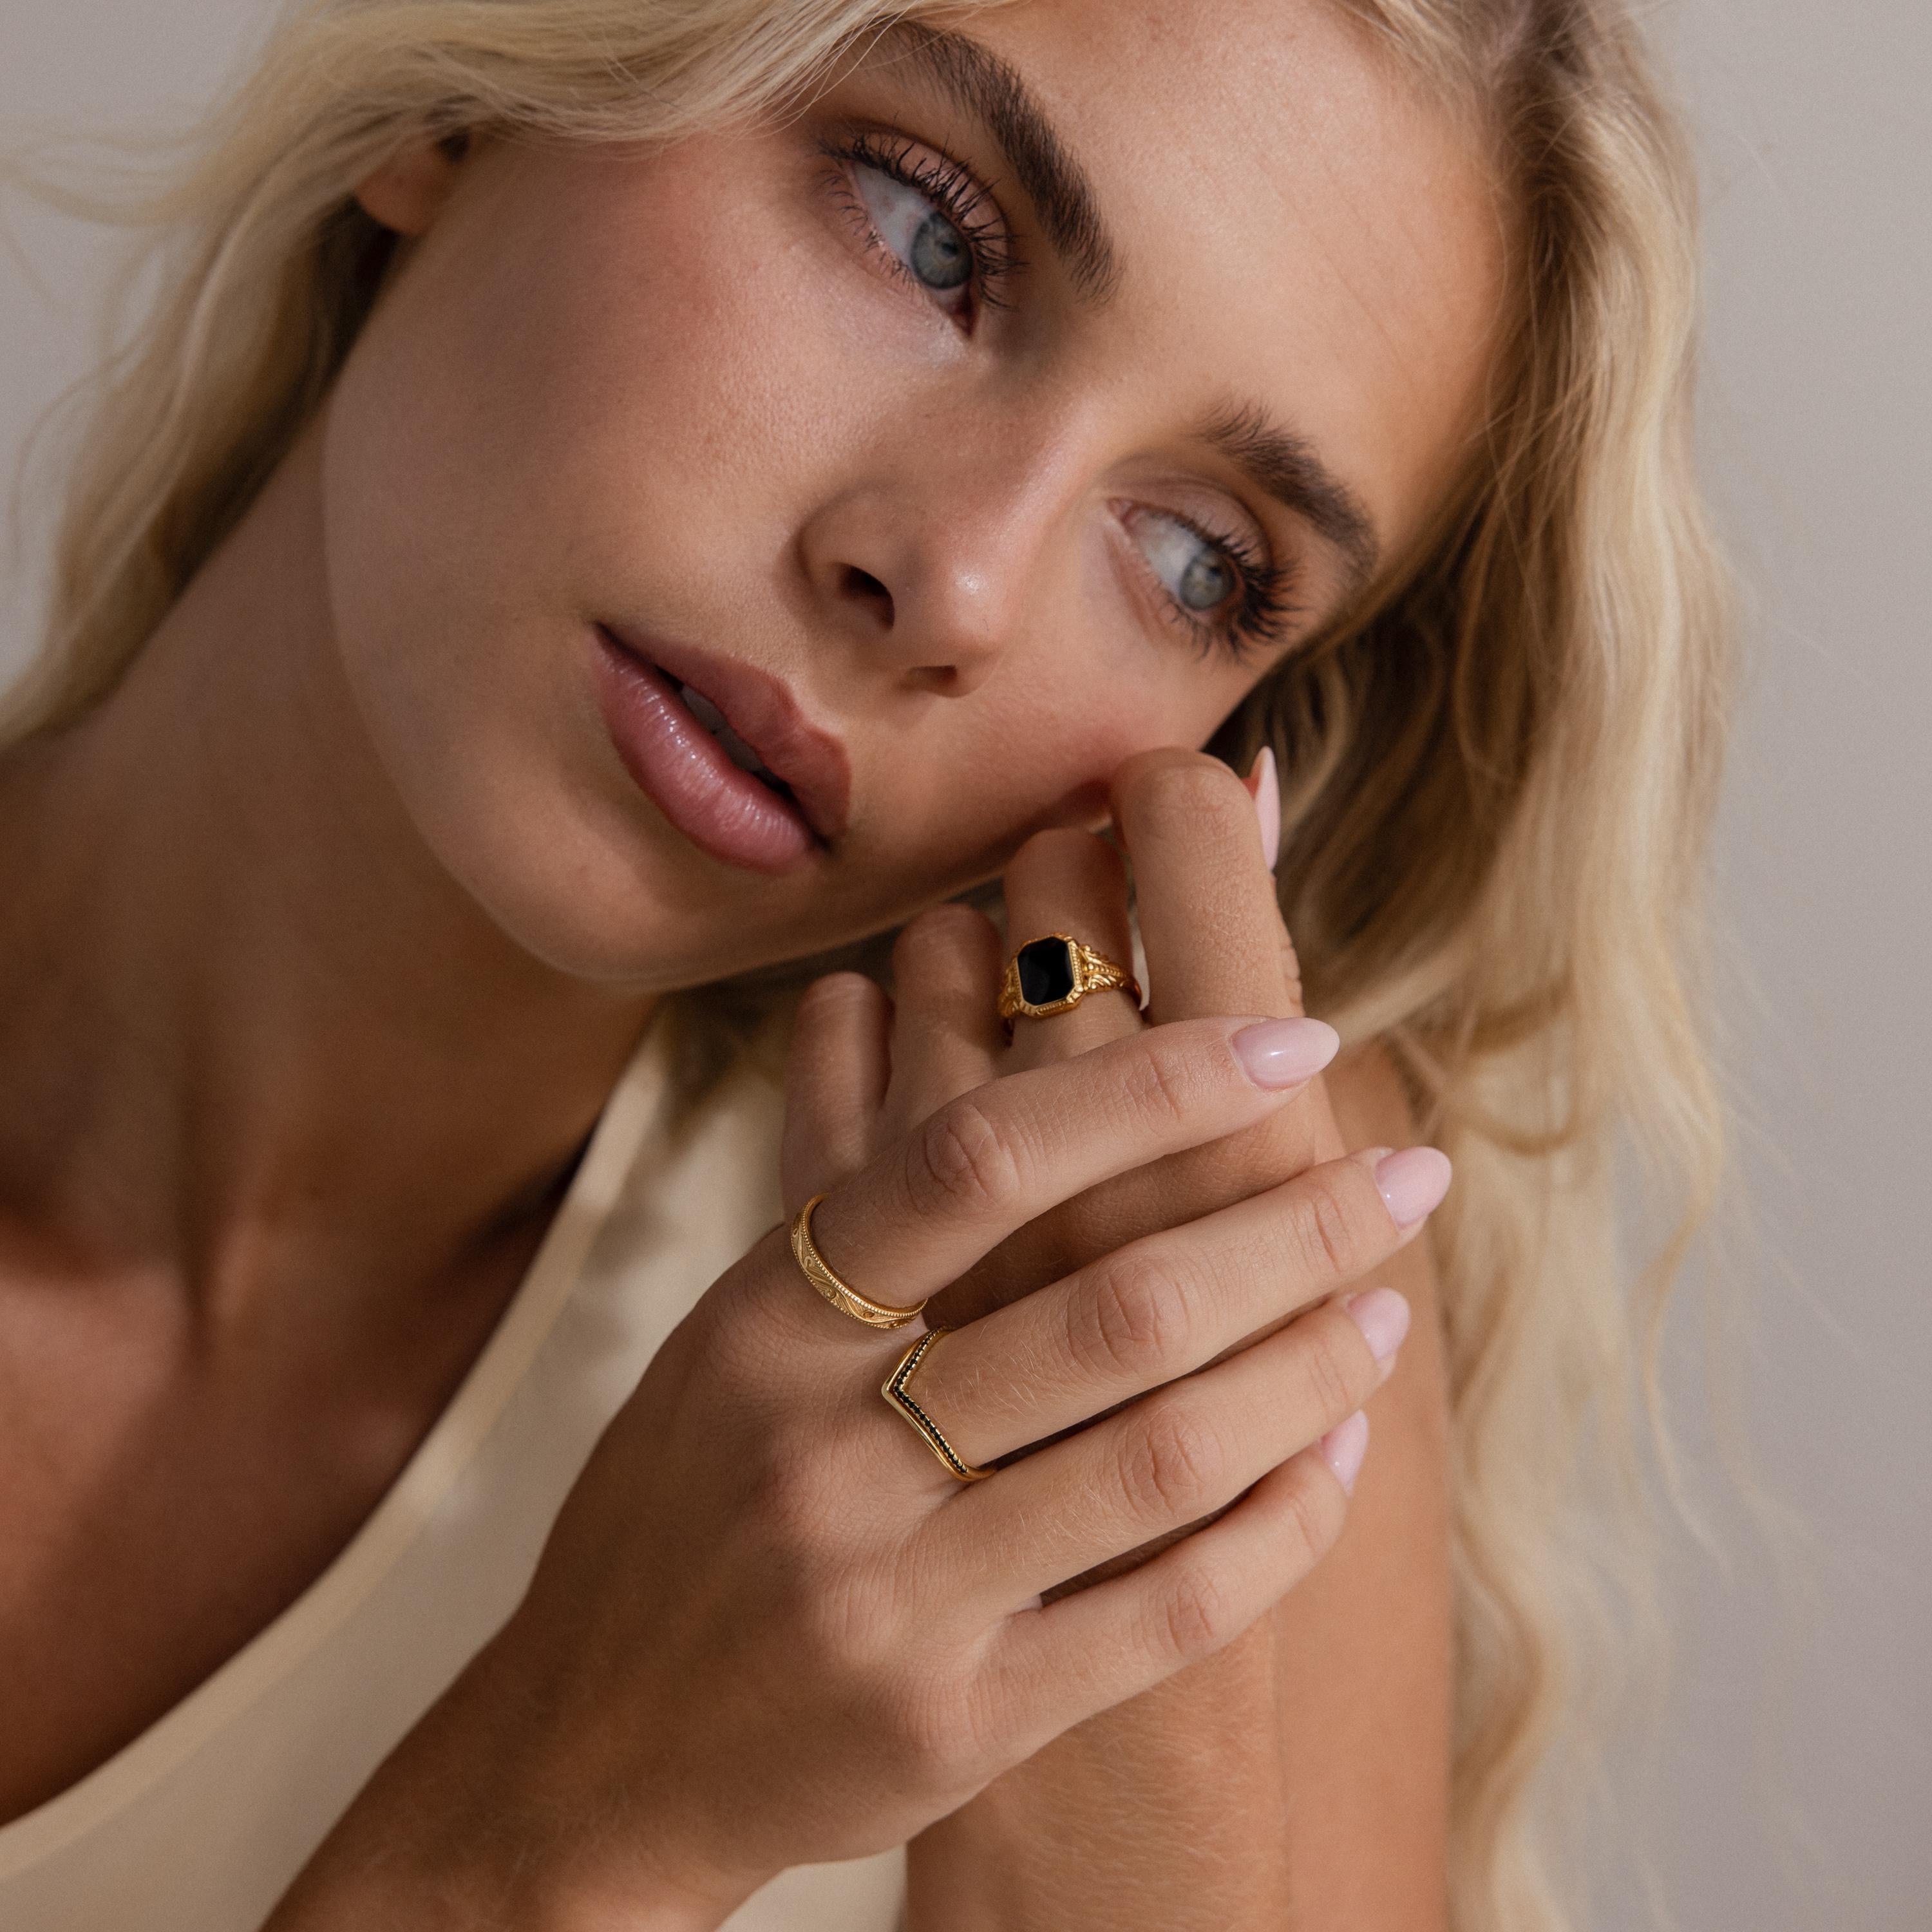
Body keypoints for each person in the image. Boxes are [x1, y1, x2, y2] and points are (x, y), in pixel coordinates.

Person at [0, 0, 1728, 1926]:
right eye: (927, 234)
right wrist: (554, 1829)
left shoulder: (1154, 1333)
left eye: (1191, 561)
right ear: (471, 99)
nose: (958, 586)